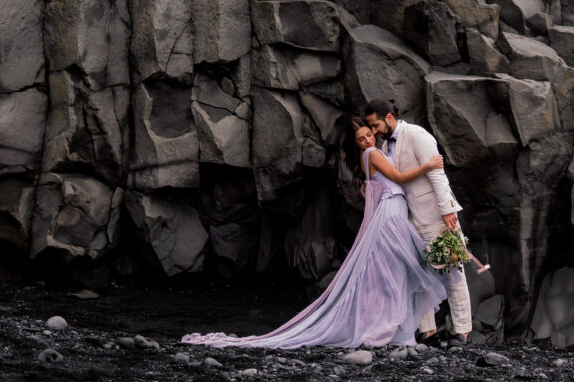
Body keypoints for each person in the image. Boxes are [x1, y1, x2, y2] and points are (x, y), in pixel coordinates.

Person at [181, 118, 447, 349]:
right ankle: (388, 327)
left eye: (368, 134)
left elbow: (378, 184)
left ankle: (392, 326)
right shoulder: (373, 155)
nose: (366, 140)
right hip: (392, 211)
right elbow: (399, 179)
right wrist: (429, 165)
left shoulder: (374, 153)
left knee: (390, 270)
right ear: (355, 144)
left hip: (392, 209)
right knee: (395, 269)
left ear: (374, 132)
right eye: (361, 139)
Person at [364, 98, 472, 346]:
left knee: (452, 270)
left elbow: (436, 172)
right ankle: (428, 332)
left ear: (388, 118)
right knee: (420, 274)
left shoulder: (416, 134)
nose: (374, 131)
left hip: (436, 214)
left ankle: (463, 331)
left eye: (376, 125)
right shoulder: (386, 144)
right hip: (411, 220)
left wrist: (446, 209)